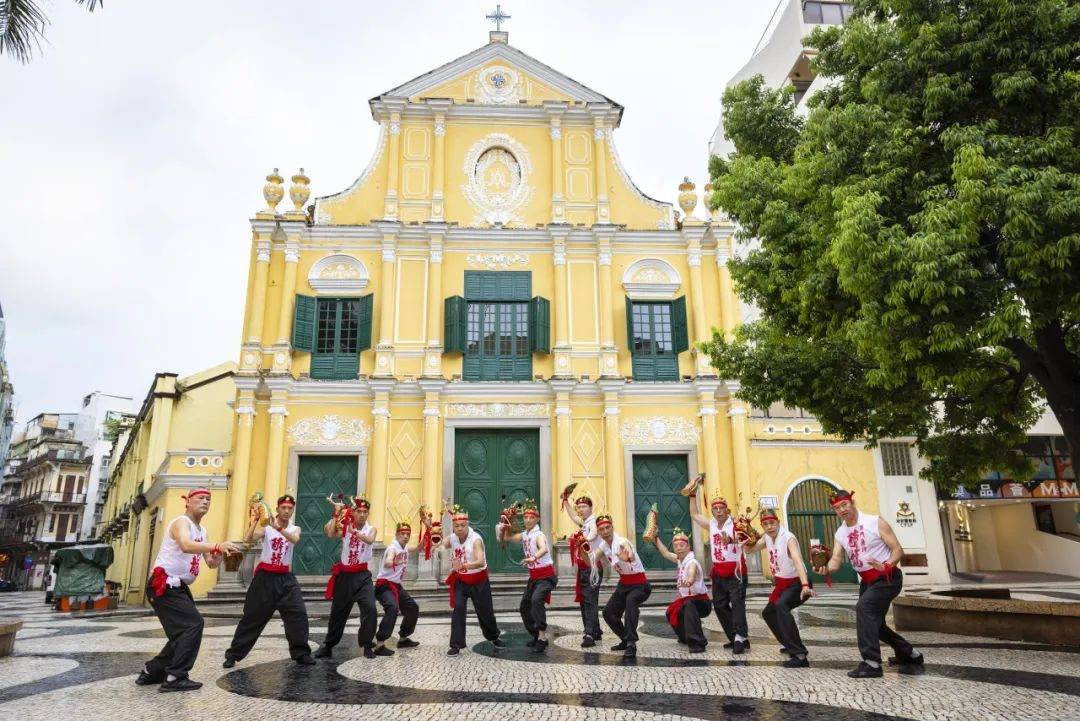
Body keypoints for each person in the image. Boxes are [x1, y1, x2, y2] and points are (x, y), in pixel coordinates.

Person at [137, 488, 241, 692]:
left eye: (208, 499)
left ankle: (152, 672)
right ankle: (175, 677)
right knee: (192, 625)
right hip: (164, 583)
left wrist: (222, 556)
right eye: (200, 498)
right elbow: (185, 545)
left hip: (178, 586)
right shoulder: (180, 522)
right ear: (188, 502)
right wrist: (218, 545)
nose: (205, 502)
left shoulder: (202, 531)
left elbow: (210, 563)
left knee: (182, 632)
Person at [813, 490, 923, 678]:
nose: (842, 510)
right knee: (875, 624)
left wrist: (886, 565)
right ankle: (910, 654)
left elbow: (898, 550)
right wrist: (825, 568)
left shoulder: (875, 522)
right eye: (837, 508)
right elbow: (836, 560)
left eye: (844, 505)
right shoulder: (840, 532)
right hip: (867, 581)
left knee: (863, 608)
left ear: (852, 502)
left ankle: (871, 663)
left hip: (888, 577)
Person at [223, 494, 314, 668]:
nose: (286, 511)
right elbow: (248, 538)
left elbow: (294, 539)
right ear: (278, 509)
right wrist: (256, 519)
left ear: (293, 510)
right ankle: (233, 654)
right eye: (283, 508)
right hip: (265, 578)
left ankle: (301, 653)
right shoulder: (267, 528)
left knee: (298, 615)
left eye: (290, 508)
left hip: (286, 579)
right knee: (253, 617)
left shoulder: (295, 529)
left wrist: (278, 528)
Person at [744, 508, 814, 668]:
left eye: (772, 523)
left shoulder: (788, 538)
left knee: (781, 606)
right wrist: (742, 539)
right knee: (768, 613)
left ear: (778, 522)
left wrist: (804, 585)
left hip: (798, 583)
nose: (769, 527)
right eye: (765, 524)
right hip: (782, 585)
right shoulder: (767, 538)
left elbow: (797, 560)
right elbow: (750, 549)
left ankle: (800, 654)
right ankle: (789, 644)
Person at [315, 494, 383, 659]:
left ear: (368, 514)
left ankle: (367, 645)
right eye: (358, 511)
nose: (361, 514)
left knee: (370, 608)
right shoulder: (345, 527)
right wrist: (336, 513)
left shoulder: (370, 529)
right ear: (353, 513)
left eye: (365, 511)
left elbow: (369, 540)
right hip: (345, 576)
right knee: (338, 612)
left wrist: (356, 533)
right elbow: (330, 533)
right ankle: (328, 645)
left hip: (362, 576)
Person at [434, 503, 503, 655]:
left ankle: (493, 636)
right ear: (453, 527)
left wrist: (463, 565)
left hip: (479, 580)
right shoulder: (453, 537)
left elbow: (479, 561)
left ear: (468, 525)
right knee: (458, 608)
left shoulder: (476, 540)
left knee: (485, 611)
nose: (459, 528)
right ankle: (456, 645)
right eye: (456, 526)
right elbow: (441, 544)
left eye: (462, 525)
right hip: (462, 580)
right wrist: (436, 541)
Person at [689, 492, 749, 653]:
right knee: (720, 605)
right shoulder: (712, 524)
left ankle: (739, 638)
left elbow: (749, 538)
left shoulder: (736, 523)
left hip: (736, 571)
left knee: (737, 605)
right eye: (715, 508)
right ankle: (736, 636)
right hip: (719, 571)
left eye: (721, 508)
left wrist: (731, 540)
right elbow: (694, 514)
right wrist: (692, 495)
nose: (718, 511)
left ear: (727, 509)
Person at [498, 499, 556, 652]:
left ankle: (543, 638)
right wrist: (508, 520)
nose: (528, 520)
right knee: (524, 606)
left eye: (531, 517)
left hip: (546, 575)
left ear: (537, 519)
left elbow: (544, 548)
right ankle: (536, 635)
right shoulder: (525, 534)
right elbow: (507, 538)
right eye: (526, 517)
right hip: (534, 577)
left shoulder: (539, 535)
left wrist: (534, 557)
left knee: (536, 600)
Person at [594, 513, 651, 658]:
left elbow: (629, 551)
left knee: (631, 603)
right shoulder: (603, 545)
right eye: (602, 529)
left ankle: (631, 643)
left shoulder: (621, 541)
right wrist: (582, 550)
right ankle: (625, 639)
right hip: (624, 584)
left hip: (640, 584)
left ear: (612, 527)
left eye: (608, 528)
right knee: (608, 613)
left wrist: (628, 557)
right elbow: (592, 560)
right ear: (598, 532)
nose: (605, 531)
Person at [652, 527, 710, 653]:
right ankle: (684, 638)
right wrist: (655, 538)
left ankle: (698, 642)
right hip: (688, 600)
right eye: (676, 545)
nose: (678, 548)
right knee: (671, 612)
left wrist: (689, 580)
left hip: (701, 602)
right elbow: (665, 553)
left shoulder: (692, 562)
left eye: (682, 545)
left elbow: (692, 572)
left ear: (688, 547)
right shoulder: (680, 560)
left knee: (688, 605)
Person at [373, 519, 421, 653]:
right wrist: (394, 561)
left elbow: (418, 548)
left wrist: (428, 532)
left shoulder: (404, 547)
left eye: (408, 534)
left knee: (412, 608)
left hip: (396, 586)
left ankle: (403, 639)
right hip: (384, 586)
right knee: (393, 609)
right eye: (402, 533)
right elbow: (388, 561)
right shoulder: (392, 548)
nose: (405, 536)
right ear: (396, 534)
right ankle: (380, 644)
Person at [562, 492, 603, 647]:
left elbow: (593, 534)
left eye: (584, 506)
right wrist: (565, 502)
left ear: (591, 508)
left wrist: (583, 539)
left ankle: (589, 634)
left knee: (589, 601)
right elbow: (574, 517)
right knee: (587, 600)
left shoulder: (593, 522)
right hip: (584, 567)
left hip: (592, 567)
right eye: (579, 506)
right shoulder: (585, 522)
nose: (581, 509)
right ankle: (596, 631)